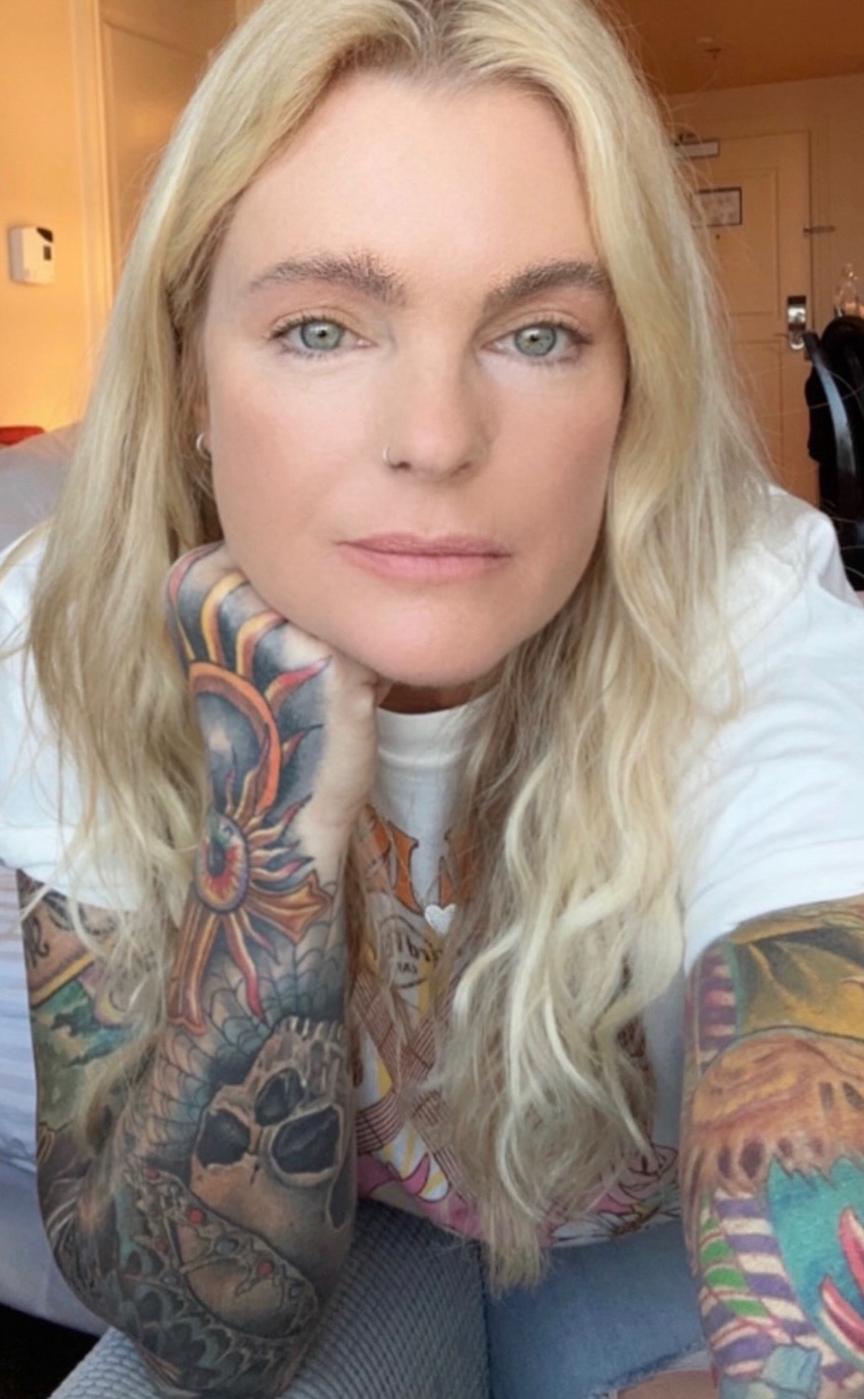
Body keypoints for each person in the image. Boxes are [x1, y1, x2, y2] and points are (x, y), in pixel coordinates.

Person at [3, 1, 864, 1395]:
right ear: (191, 376)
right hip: (366, 1255)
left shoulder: (747, 613)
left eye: (541, 335)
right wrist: (274, 833)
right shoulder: (70, 627)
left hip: (651, 1255)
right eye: (322, 328)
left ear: (631, 382)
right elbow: (201, 1334)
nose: (436, 438)